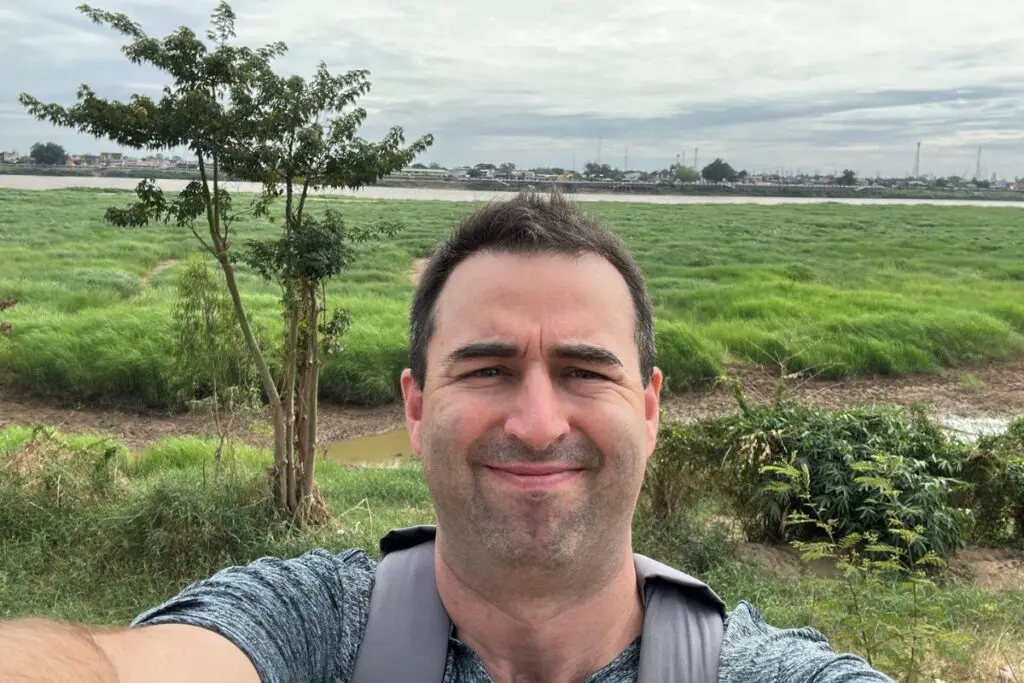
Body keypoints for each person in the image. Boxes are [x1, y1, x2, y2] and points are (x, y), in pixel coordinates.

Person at [0, 191, 892, 683]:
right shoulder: (313, 631)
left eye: (585, 371)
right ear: (416, 406)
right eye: (487, 369)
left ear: (651, 409)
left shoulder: (758, 671)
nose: (539, 423)